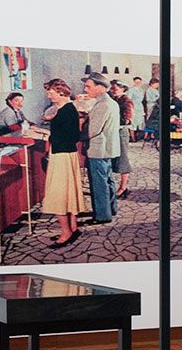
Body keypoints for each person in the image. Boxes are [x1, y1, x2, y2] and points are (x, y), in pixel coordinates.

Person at [38, 79, 85, 246]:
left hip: (61, 155)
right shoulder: (69, 108)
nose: (48, 96)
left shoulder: (65, 111)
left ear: (61, 92)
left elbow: (68, 135)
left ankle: (65, 232)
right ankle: (73, 227)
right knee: (70, 192)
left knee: (58, 194)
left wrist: (46, 135)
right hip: (68, 154)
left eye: (50, 93)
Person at [80, 75, 123, 224]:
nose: (86, 89)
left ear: (100, 87)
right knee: (108, 180)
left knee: (99, 183)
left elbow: (93, 130)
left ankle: (102, 215)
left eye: (88, 86)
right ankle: (111, 208)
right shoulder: (110, 102)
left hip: (98, 149)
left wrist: (76, 135)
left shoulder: (102, 104)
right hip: (108, 148)